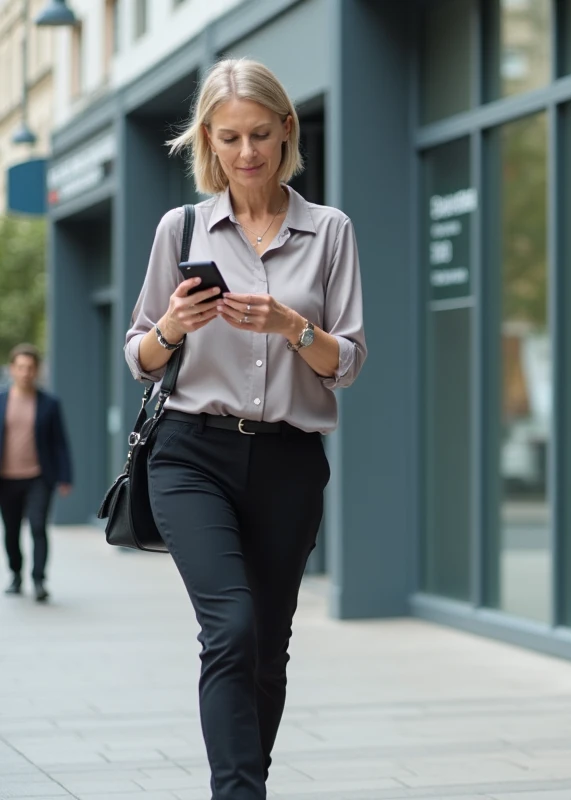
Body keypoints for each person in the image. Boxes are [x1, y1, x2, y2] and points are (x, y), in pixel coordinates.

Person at [123, 58, 366, 800]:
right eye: (229, 138)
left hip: (290, 460)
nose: (248, 152)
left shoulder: (329, 232)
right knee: (230, 627)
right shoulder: (183, 227)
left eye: (261, 134)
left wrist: (294, 326)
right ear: (208, 141)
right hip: (192, 453)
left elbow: (348, 362)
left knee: (267, 648)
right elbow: (139, 354)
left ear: (287, 130)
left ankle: (241, 785)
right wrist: (173, 323)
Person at [1, 344, 72, 603]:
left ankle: (39, 579)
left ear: (37, 370)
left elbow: (59, 442)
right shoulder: (1, 400)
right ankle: (16, 574)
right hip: (6, 478)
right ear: (12, 369)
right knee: (10, 530)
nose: (25, 373)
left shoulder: (49, 403)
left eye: (30, 368)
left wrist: (65, 477)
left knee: (38, 526)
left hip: (39, 476)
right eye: (20, 368)